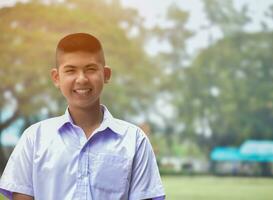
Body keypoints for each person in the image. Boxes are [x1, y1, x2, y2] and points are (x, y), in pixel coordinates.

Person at [0, 33, 165, 200]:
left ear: (106, 74)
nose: (82, 79)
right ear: (57, 78)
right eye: (71, 70)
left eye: (91, 69)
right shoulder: (34, 138)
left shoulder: (134, 140)